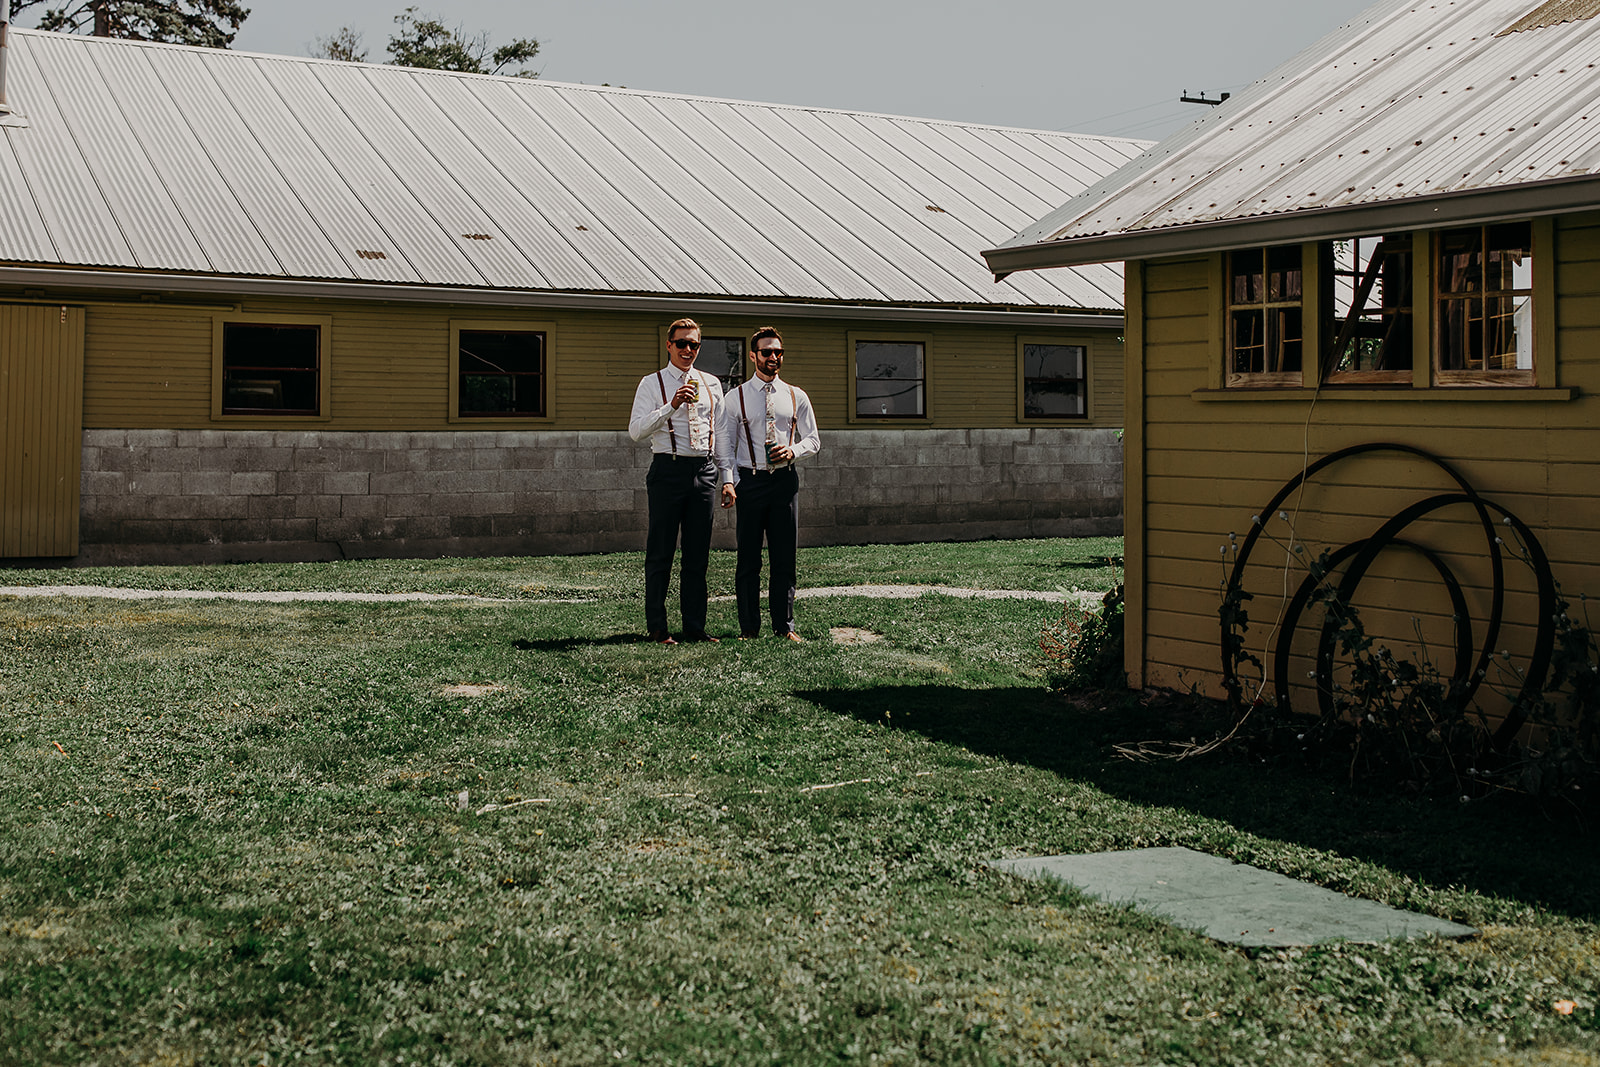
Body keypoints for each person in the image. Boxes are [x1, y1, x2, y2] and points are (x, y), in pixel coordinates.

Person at [715, 326, 821, 641]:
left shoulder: (795, 395)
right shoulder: (735, 398)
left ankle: (784, 626)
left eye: (778, 352)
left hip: (784, 481)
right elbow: (726, 446)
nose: (773, 357)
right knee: (748, 558)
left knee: (784, 557)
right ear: (753, 356)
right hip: (750, 480)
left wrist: (794, 450)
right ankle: (749, 628)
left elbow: (813, 440)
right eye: (766, 352)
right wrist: (729, 481)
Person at [628, 318, 727, 644]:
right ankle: (657, 627)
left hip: (703, 471)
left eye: (694, 345)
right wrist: (670, 406)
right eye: (681, 343)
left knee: (697, 555)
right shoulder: (652, 383)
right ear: (668, 345)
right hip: (668, 471)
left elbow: (722, 433)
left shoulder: (712, 383)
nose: (688, 350)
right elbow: (636, 431)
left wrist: (727, 478)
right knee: (661, 552)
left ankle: (694, 627)